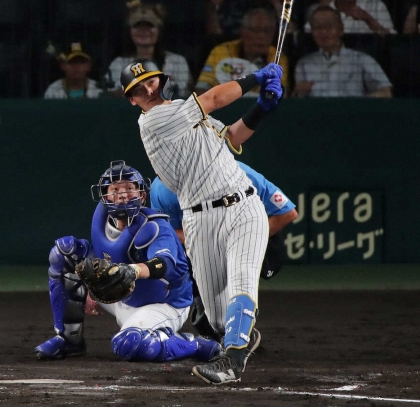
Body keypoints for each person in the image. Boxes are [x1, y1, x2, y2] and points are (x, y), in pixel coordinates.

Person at [119, 57, 284, 385]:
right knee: (217, 315)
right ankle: (239, 332)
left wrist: (262, 108)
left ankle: (232, 362)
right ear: (133, 100)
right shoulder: (155, 120)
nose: (148, 90)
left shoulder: (186, 114)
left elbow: (232, 137)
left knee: (241, 281)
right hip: (199, 219)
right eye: (138, 89)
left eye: (150, 81)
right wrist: (257, 78)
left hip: (243, 205)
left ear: (163, 79)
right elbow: (213, 99)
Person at [34, 160, 221, 364]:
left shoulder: (155, 226)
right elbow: (100, 261)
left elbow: (163, 263)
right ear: (105, 196)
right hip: (122, 295)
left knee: (129, 344)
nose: (122, 195)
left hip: (162, 303)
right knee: (63, 252)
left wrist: (132, 271)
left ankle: (194, 344)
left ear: (142, 195)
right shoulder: (103, 222)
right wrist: (87, 286)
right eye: (115, 189)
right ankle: (68, 339)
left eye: (129, 189)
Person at [150, 161, 298, 340]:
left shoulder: (240, 172)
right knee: (209, 322)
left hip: (258, 236)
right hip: (201, 243)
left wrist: (245, 239)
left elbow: (287, 213)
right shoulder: (165, 187)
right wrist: (207, 244)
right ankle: (204, 306)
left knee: (239, 279)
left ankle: (241, 324)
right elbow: (170, 232)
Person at [293, 5, 392, 98]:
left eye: (329, 27)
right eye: (318, 28)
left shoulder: (362, 59)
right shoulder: (303, 64)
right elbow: (297, 99)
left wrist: (358, 104)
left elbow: (385, 92)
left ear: (341, 29)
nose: (323, 32)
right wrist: (298, 93)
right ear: (312, 32)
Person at [106, 0, 192, 99]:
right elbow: (114, 94)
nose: (143, 31)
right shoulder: (119, 63)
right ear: (130, 32)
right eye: (138, 26)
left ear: (159, 31)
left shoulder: (177, 61)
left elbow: (179, 93)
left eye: (149, 26)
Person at [195, 8, 290, 95]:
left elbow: (279, 95)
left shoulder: (278, 58)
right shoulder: (221, 52)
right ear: (243, 32)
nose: (262, 36)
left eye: (267, 31)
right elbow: (201, 90)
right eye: (256, 30)